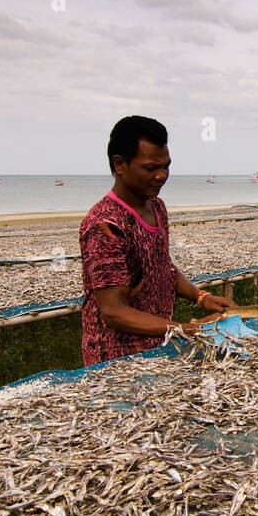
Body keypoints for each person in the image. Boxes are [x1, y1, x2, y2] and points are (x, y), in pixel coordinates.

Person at [79, 115, 237, 366]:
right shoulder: (105, 225)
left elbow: (163, 267)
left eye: (166, 166)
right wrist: (188, 329)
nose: (162, 175)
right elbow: (113, 312)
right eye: (151, 168)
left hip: (158, 348)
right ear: (120, 164)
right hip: (115, 360)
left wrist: (201, 297)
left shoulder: (156, 207)